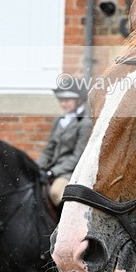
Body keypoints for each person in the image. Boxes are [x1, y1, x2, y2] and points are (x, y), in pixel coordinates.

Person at [37, 78, 92, 207]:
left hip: (70, 171)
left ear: (78, 100)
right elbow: (49, 149)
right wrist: (36, 167)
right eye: (61, 100)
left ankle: (62, 225)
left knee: (55, 192)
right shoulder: (59, 120)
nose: (63, 104)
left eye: (67, 100)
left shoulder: (84, 123)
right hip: (52, 168)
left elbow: (78, 156)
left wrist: (54, 172)